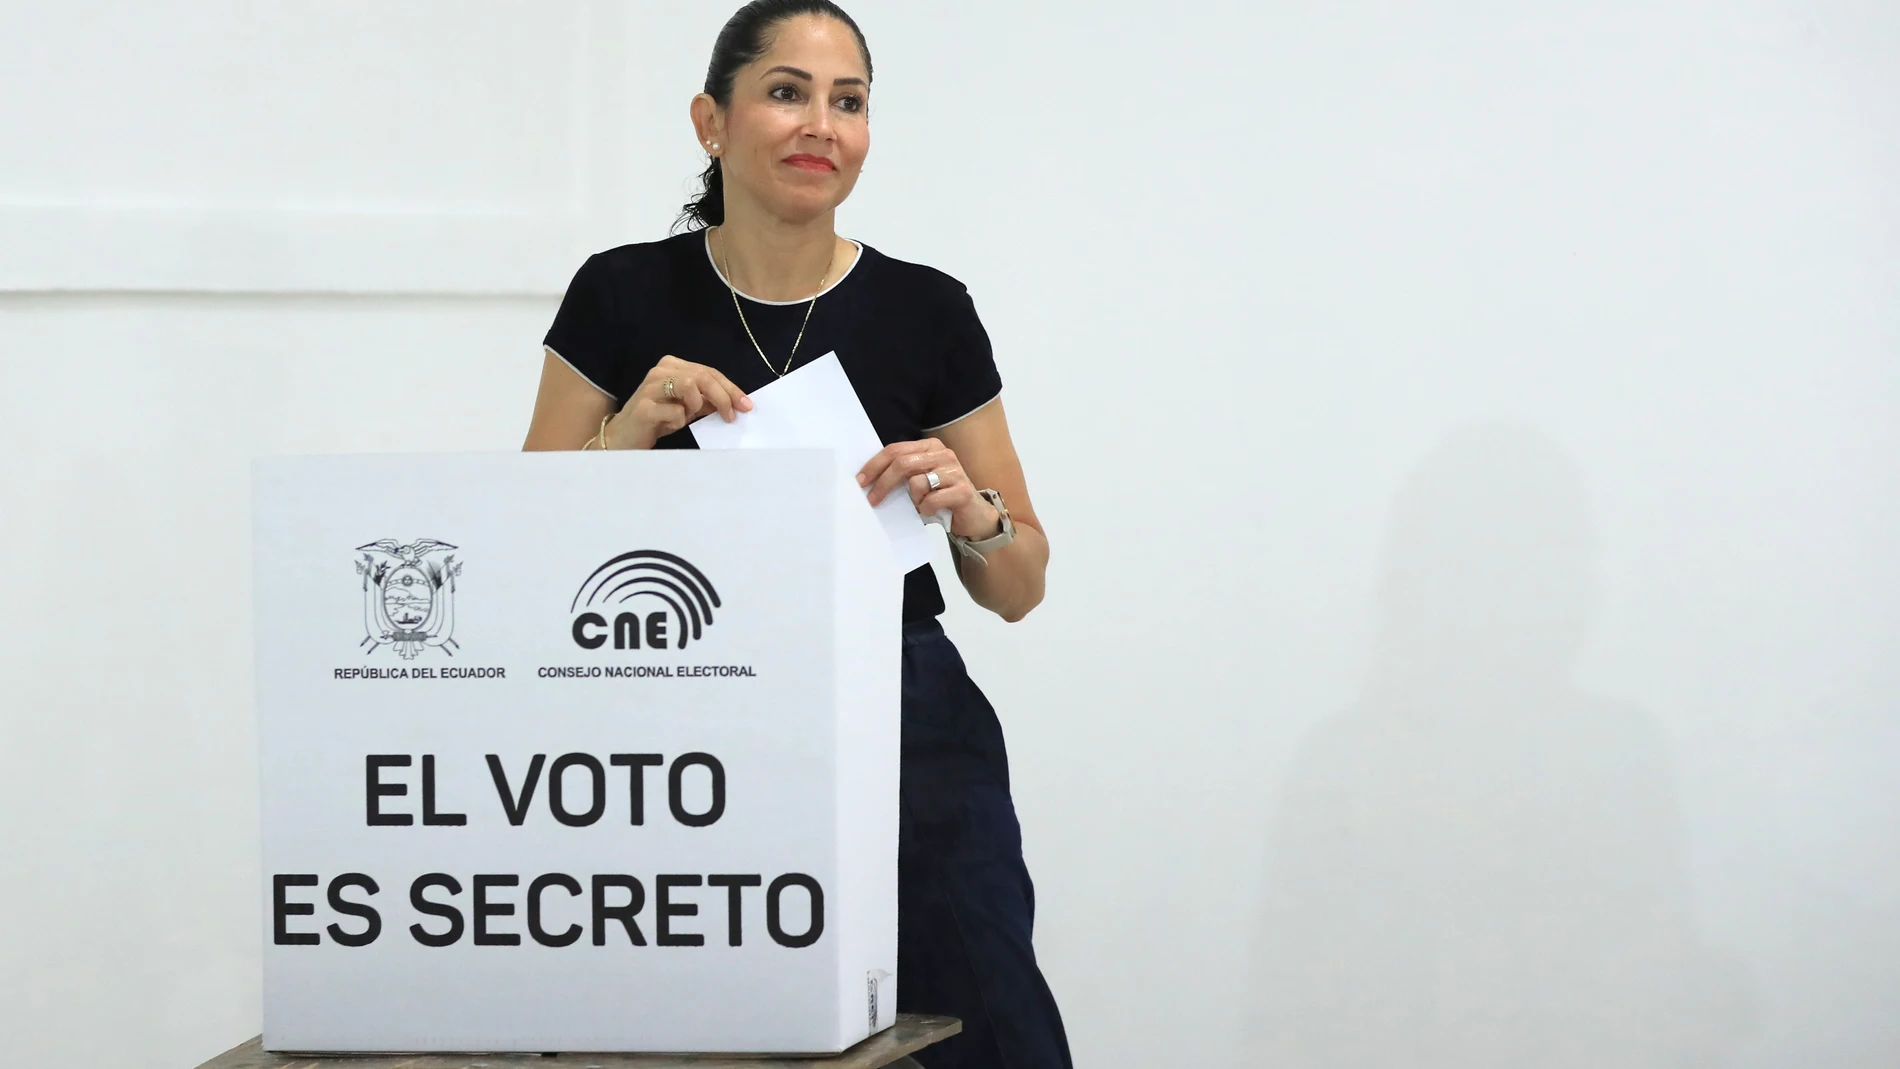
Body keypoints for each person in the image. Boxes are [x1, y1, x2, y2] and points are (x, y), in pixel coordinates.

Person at [519, 3, 1071, 1065]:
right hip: (673, 710)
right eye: (785, 91)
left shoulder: (927, 308)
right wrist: (629, 428)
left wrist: (971, 510)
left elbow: (1020, 584)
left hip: (901, 709)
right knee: (711, 1025)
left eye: (848, 101)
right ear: (710, 122)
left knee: (982, 1012)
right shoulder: (621, 292)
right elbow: (525, 551)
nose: (821, 123)